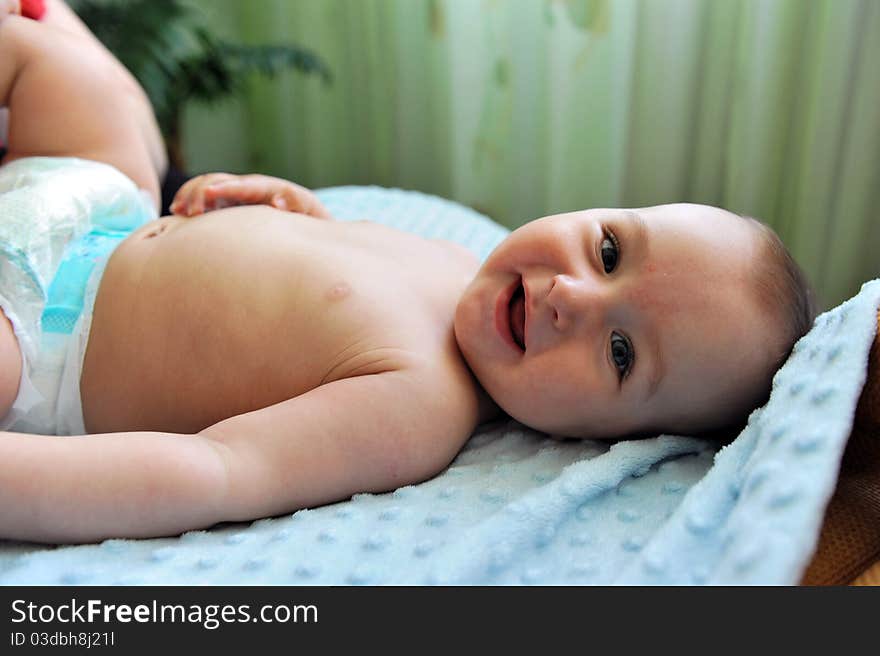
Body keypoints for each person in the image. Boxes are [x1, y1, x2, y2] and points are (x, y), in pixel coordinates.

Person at [0, 7, 816, 543]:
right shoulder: (461, 262)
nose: (574, 297)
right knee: (75, 71)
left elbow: (217, 471)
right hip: (107, 214)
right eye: (608, 251)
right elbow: (316, 270)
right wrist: (280, 205)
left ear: (604, 438)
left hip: (43, 342)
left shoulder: (418, 407)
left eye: (621, 354)